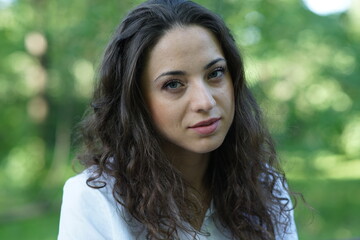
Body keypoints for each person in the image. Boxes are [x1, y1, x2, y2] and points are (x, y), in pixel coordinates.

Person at [58, 0, 299, 239]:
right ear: (136, 101)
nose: (205, 102)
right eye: (173, 84)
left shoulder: (264, 185)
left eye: (215, 73)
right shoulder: (95, 199)